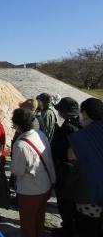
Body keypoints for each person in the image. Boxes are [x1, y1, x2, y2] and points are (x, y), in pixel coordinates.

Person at [11, 108, 56, 237]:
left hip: (30, 191)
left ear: (17, 125)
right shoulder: (40, 134)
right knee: (39, 217)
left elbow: (17, 171)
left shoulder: (20, 144)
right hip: (45, 184)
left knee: (28, 223)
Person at [67, 98, 103, 237]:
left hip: (91, 195)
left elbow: (70, 155)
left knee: (88, 227)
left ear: (85, 113)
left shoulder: (86, 134)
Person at [50, 97, 81, 237]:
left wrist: (57, 133)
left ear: (64, 112)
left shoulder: (68, 128)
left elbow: (60, 150)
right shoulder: (81, 124)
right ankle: (71, 227)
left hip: (66, 170)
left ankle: (68, 229)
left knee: (65, 202)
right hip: (76, 170)